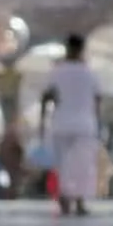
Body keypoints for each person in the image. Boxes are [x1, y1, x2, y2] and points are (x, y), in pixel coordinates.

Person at [40, 33, 102, 216]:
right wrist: (99, 124)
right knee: (83, 165)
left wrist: (42, 123)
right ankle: (80, 202)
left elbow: (47, 97)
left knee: (61, 164)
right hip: (85, 124)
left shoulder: (57, 71)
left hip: (61, 123)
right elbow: (98, 101)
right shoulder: (90, 73)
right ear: (82, 49)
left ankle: (64, 200)